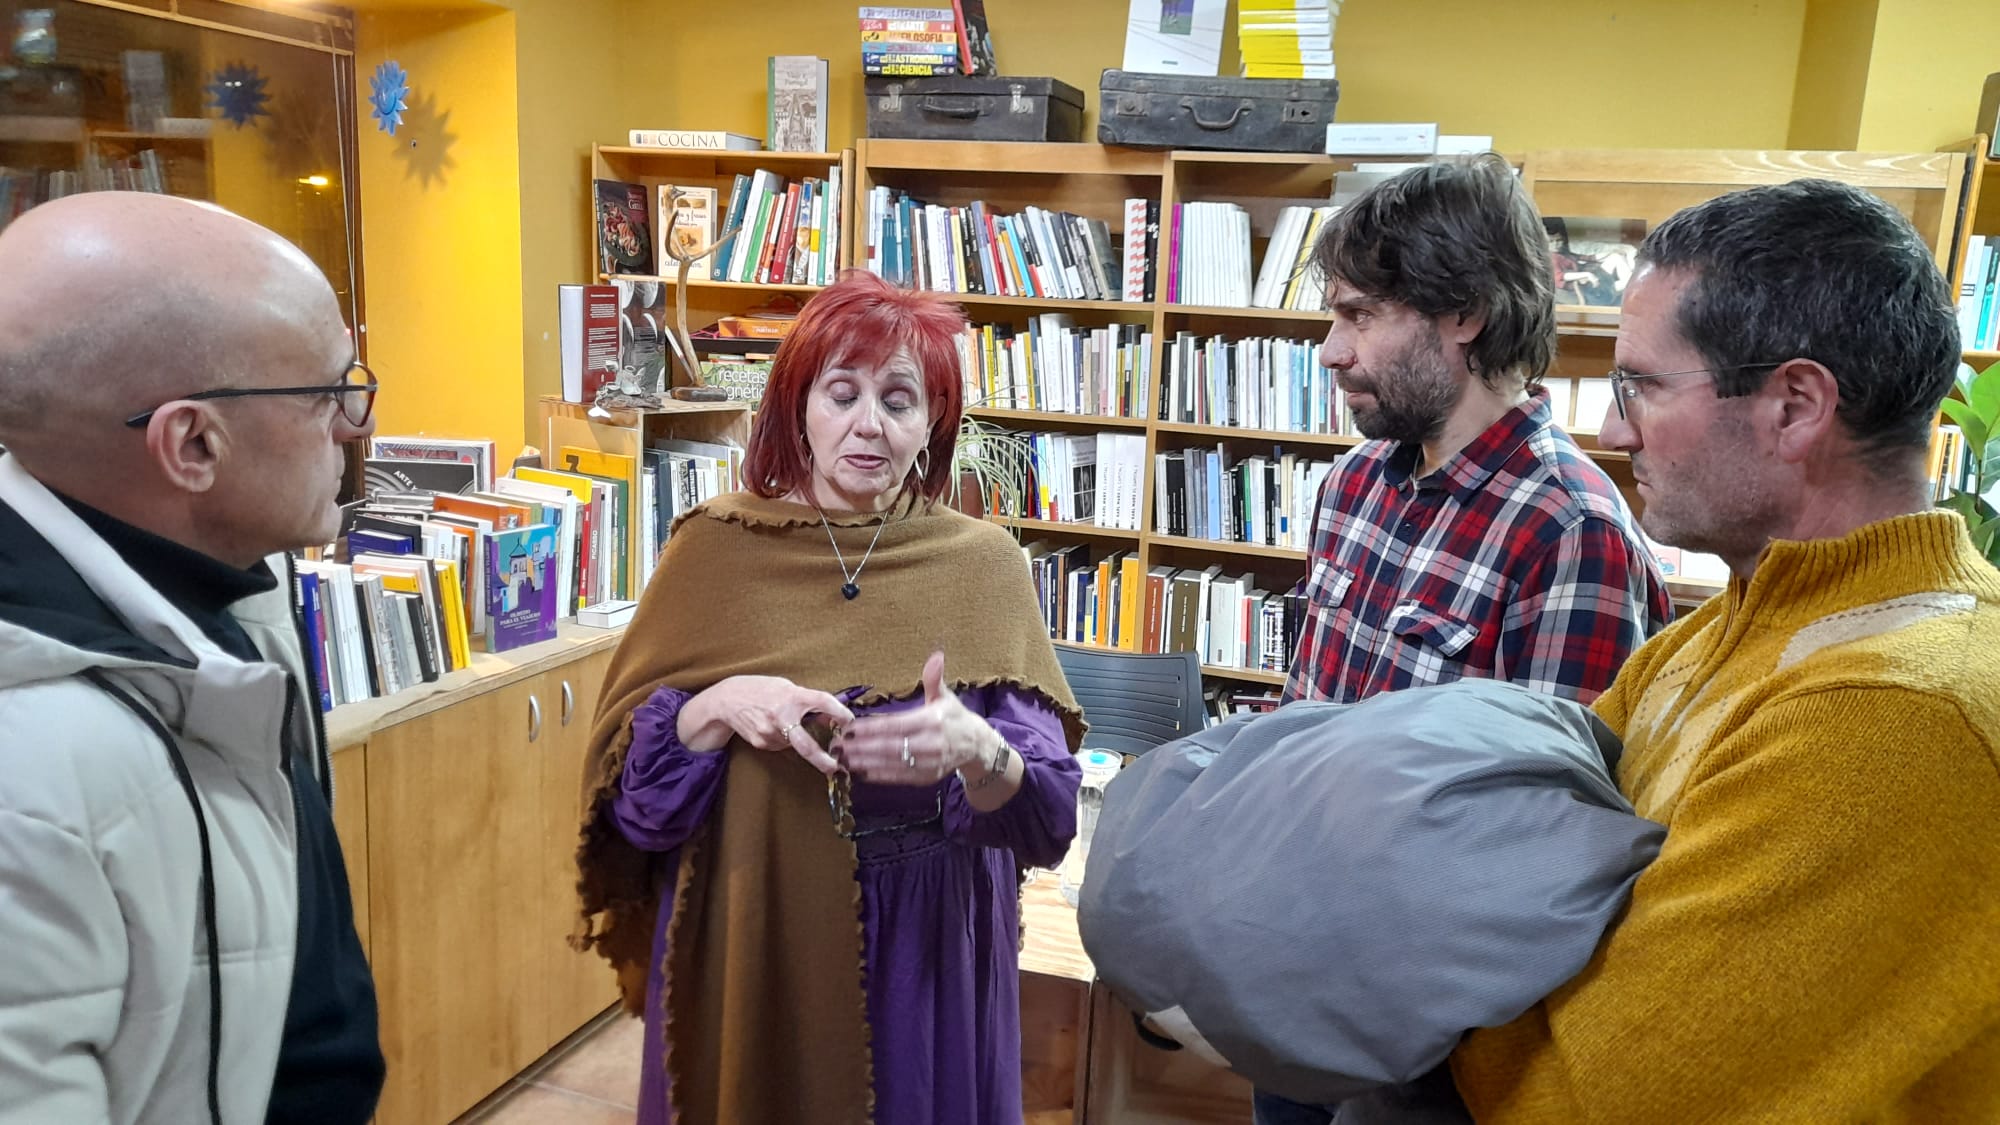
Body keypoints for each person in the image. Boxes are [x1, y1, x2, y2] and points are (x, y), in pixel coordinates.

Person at [1450, 179, 2000, 1121]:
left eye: (1641, 386)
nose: (1611, 429)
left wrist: (1430, 1005)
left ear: (1795, 406)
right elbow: (1505, 854)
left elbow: (1599, 1100)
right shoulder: (1709, 635)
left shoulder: (1894, 719)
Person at [572, 268, 1085, 1125]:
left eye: (898, 399)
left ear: (934, 419)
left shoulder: (983, 565)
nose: (868, 423)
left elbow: (1047, 820)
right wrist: (717, 706)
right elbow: (634, 809)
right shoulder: (714, 552)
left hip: (930, 958)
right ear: (799, 405)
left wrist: (979, 749)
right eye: (842, 393)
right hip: (754, 930)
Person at [1261, 157, 1673, 1124]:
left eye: (1360, 315)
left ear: (1465, 314)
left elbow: (1545, 861)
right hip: (1293, 970)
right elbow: (1302, 720)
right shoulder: (1353, 486)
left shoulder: (1572, 533)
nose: (1330, 350)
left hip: (1425, 1048)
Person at [0, 193, 384, 1123]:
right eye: (328, 391)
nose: (353, 424)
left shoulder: (229, 592)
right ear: (193, 442)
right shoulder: (28, 781)